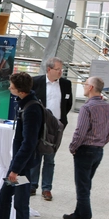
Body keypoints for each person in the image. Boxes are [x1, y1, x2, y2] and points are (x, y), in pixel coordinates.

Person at [0, 72, 42, 219]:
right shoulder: (24, 104)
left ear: (20, 89)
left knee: (20, 203)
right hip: (17, 162)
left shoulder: (32, 109)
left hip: (23, 166)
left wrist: (16, 169)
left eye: (11, 85)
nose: (9, 87)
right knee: (4, 195)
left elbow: (29, 143)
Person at [63, 76, 109, 219]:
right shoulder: (107, 107)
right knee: (86, 184)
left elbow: (80, 131)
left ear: (91, 87)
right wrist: (99, 144)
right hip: (98, 151)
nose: (84, 87)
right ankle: (78, 214)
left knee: (82, 188)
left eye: (85, 84)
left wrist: (73, 147)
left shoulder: (87, 108)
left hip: (85, 151)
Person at [30, 57, 73, 200]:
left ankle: (46, 188)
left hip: (56, 128)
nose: (61, 72)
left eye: (62, 69)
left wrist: (60, 122)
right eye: (58, 69)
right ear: (49, 69)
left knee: (50, 157)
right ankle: (32, 185)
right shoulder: (36, 82)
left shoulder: (66, 84)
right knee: (36, 155)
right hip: (39, 125)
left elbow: (68, 105)